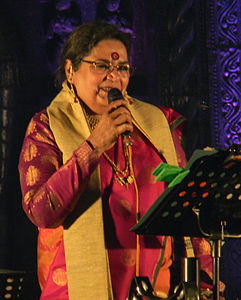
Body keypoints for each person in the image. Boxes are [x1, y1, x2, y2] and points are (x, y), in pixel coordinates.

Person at [19, 21, 216, 300]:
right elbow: (41, 212)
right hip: (75, 292)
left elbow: (188, 211)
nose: (114, 77)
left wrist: (208, 288)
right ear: (70, 70)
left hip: (154, 292)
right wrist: (94, 146)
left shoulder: (157, 126)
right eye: (101, 66)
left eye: (122, 68)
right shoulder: (47, 127)